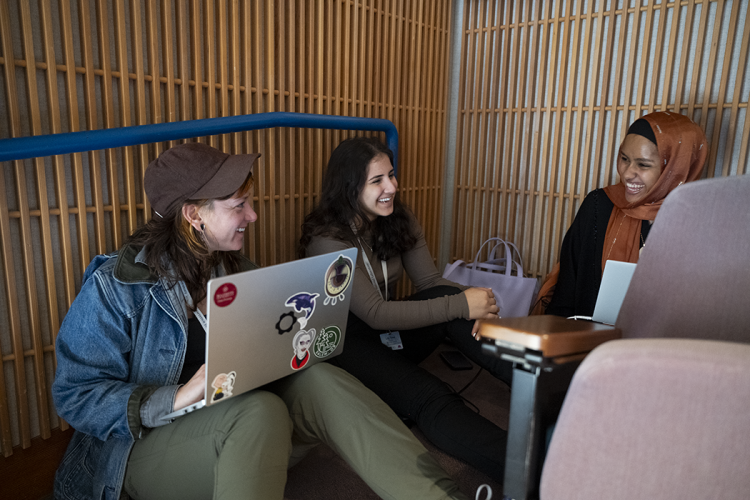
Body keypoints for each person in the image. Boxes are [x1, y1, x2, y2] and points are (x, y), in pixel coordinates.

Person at [51, 142, 479, 500]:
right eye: (240, 205)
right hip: (139, 453)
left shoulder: (234, 270)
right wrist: (179, 395)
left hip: (237, 418)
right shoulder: (117, 287)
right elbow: (75, 396)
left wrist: (300, 338)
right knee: (259, 411)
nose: (253, 215)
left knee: (321, 381)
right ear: (193, 215)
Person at [300, 137, 512, 484]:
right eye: (378, 181)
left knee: (454, 302)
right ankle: (531, 465)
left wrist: (477, 303)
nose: (392, 187)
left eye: (392, 175)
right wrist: (461, 302)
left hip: (389, 331)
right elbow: (375, 314)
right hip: (345, 346)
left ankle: (545, 390)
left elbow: (429, 282)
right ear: (349, 188)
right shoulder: (327, 241)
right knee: (430, 394)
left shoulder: (397, 217)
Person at [544, 111, 708, 317]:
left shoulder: (699, 225)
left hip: (661, 345)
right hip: (587, 341)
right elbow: (566, 292)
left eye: (643, 164)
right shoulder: (599, 206)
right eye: (624, 158)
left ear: (674, 169)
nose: (628, 173)